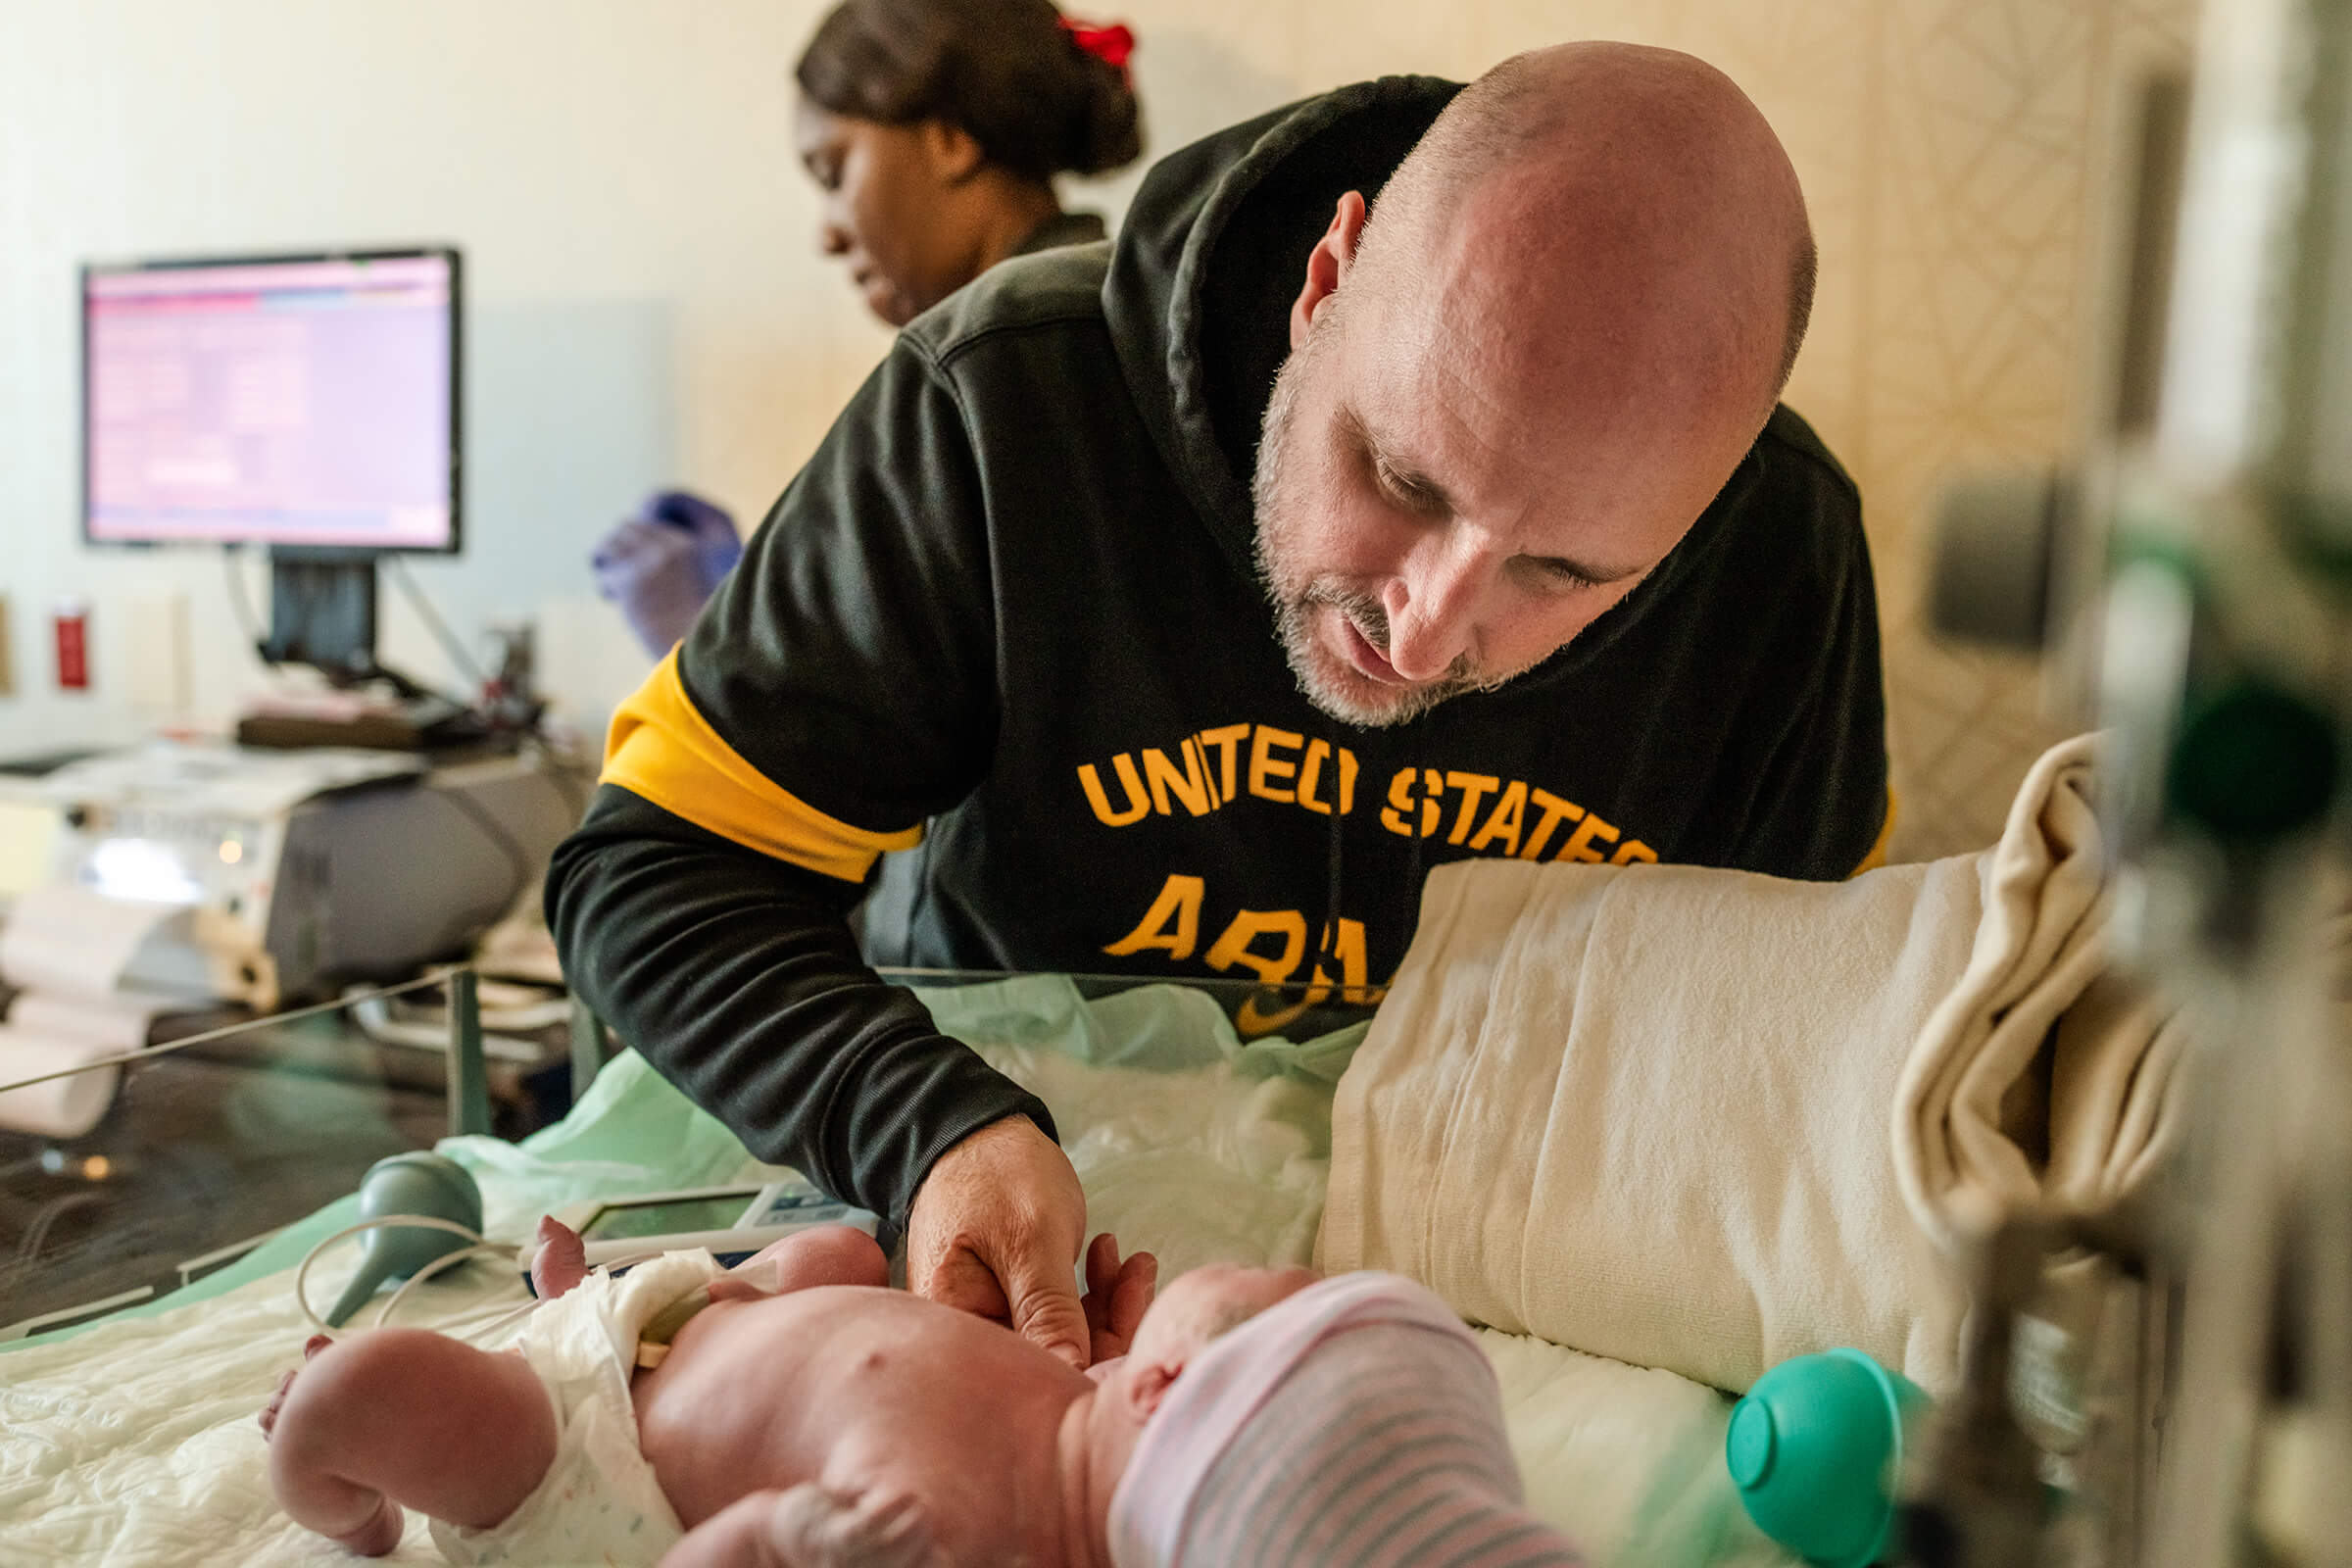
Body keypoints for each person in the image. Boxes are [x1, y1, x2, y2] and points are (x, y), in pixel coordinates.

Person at [548, 43, 1892, 1373]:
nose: (1419, 633)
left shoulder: (1785, 556)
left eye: (1561, 571)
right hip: (1001, 1210)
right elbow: (650, 870)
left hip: (1486, 1299)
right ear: (1326, 279)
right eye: (1401, 477)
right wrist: (921, 1122)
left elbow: (1801, 1048)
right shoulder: (1000, 404)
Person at [261, 1221, 1578, 1566]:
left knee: (385, 1384)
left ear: (1172, 1390)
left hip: (589, 1455)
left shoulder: (941, 1536)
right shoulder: (1097, 1453)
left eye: (1273, 1280)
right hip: (711, 1320)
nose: (1261, 1257)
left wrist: (777, 1544)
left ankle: (340, 1502)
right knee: (841, 1251)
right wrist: (1085, 1359)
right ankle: (564, 1304)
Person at [594, 0, 1145, 656]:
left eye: (834, 172)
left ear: (950, 137)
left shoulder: (998, 376)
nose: (826, 233)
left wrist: (704, 646)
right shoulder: (1111, 325)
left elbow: (945, 737)